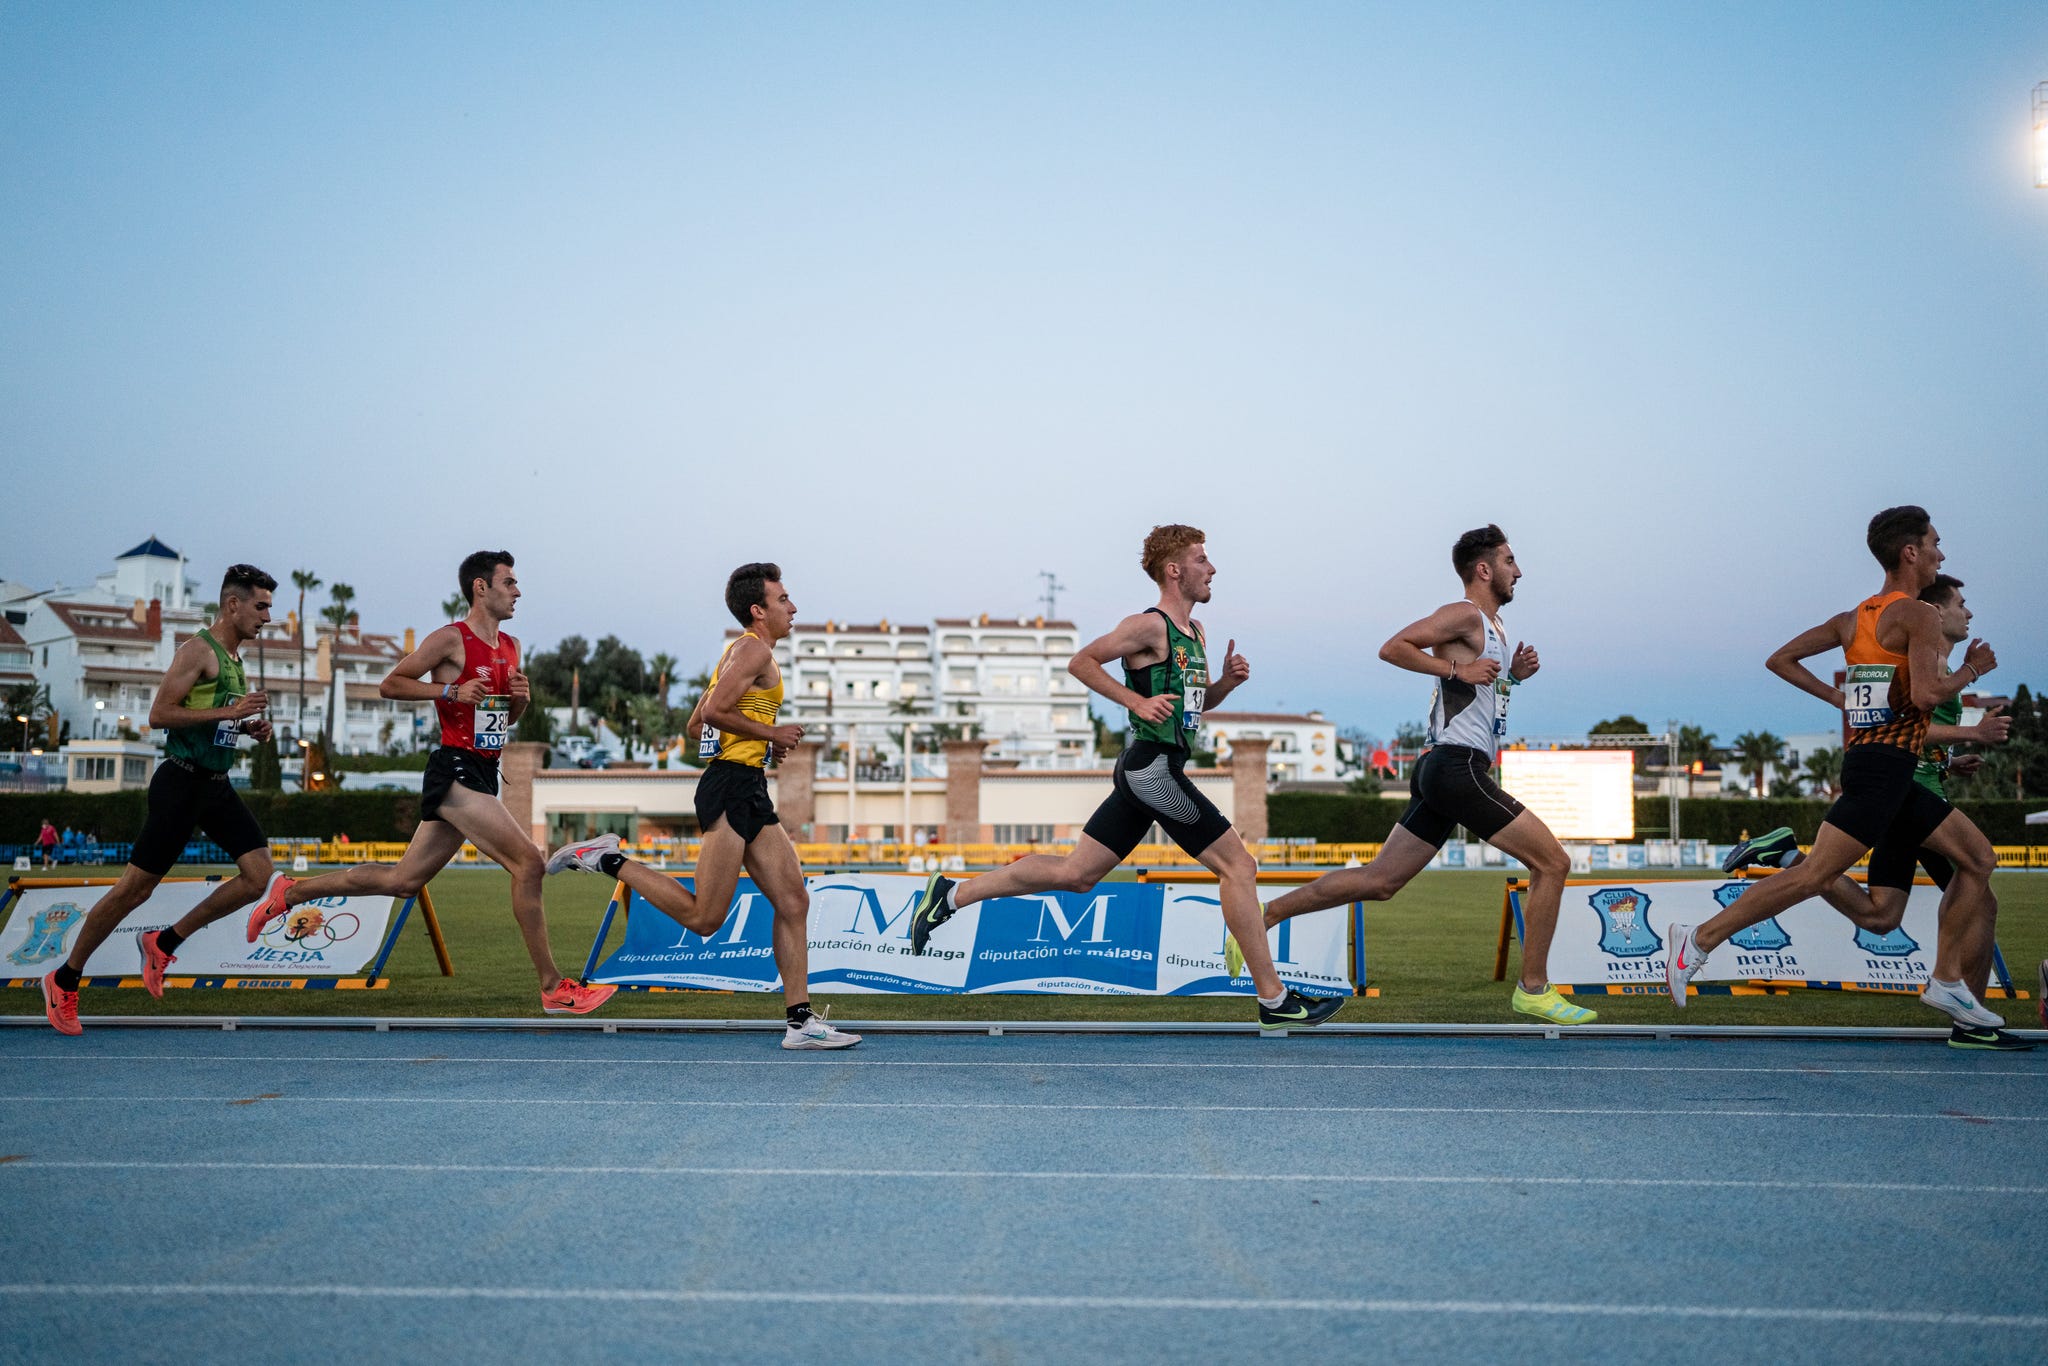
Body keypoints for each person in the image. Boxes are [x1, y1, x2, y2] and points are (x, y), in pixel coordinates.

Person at [903, 525, 1344, 1032]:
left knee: (1077, 875)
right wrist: (1134, 701)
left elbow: (1189, 710)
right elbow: (1081, 662)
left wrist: (1223, 683)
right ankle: (1274, 999)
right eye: (1202, 559)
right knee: (1239, 867)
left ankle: (950, 895)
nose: (1213, 568)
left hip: (1156, 768)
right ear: (1175, 570)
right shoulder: (1147, 626)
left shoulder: (1195, 635)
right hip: (1150, 769)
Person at [1666, 507, 2028, 1050]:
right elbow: (1930, 695)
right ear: (1910, 552)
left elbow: (1781, 659)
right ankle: (1697, 939)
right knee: (1814, 877)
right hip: (1884, 770)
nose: (1941, 554)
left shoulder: (1853, 618)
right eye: (1935, 543)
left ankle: (1950, 984)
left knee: (1968, 864)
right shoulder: (1918, 614)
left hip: (1883, 766)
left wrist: (1838, 697)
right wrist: (1974, 670)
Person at [1246, 525, 1595, 1025]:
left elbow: (1476, 700)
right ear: (1484, 569)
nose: (1519, 571)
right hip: (1456, 767)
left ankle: (1266, 916)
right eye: (1510, 561)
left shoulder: (1493, 630)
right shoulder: (1465, 615)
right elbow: (1393, 647)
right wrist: (1455, 672)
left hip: (1444, 767)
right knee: (1554, 864)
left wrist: (1512, 677)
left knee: (1381, 880)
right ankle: (1534, 988)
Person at [247, 550, 613, 1016]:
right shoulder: (450, 639)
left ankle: (292, 892)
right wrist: (449, 690)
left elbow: (502, 720)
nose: (518, 591)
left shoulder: (512, 646)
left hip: (484, 769)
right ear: (481, 587)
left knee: (404, 880)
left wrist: (521, 701)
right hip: (454, 768)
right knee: (529, 864)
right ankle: (553, 988)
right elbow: (390, 684)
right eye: (510, 582)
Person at [547, 563, 859, 1049]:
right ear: (758, 610)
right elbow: (712, 714)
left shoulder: (741, 653)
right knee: (705, 919)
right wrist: (771, 732)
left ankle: (800, 1024)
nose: (793, 607)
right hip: (731, 787)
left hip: (748, 784)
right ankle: (604, 857)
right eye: (783, 600)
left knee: (794, 900)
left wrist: (762, 744)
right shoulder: (752, 649)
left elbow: (698, 727)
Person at [41, 565, 285, 1036]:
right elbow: (160, 715)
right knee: (135, 889)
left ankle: (164, 941)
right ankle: (64, 979)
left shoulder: (235, 658)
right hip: (180, 783)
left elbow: (211, 719)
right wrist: (231, 710)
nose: (268, 617)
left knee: (258, 877)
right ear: (233, 604)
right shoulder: (198, 650)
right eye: (261, 606)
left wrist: (247, 728)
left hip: (215, 785)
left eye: (270, 607)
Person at [1722, 573, 2012, 936]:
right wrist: (1974, 722)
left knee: (1881, 916)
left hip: (1892, 776)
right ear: (1933, 611)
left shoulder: (1868, 629)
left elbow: (1896, 724)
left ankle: (1785, 855)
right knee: (1980, 888)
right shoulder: (1925, 664)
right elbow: (1908, 717)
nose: (1969, 614)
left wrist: (1947, 762)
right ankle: (1952, 983)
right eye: (1961, 605)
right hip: (1903, 784)